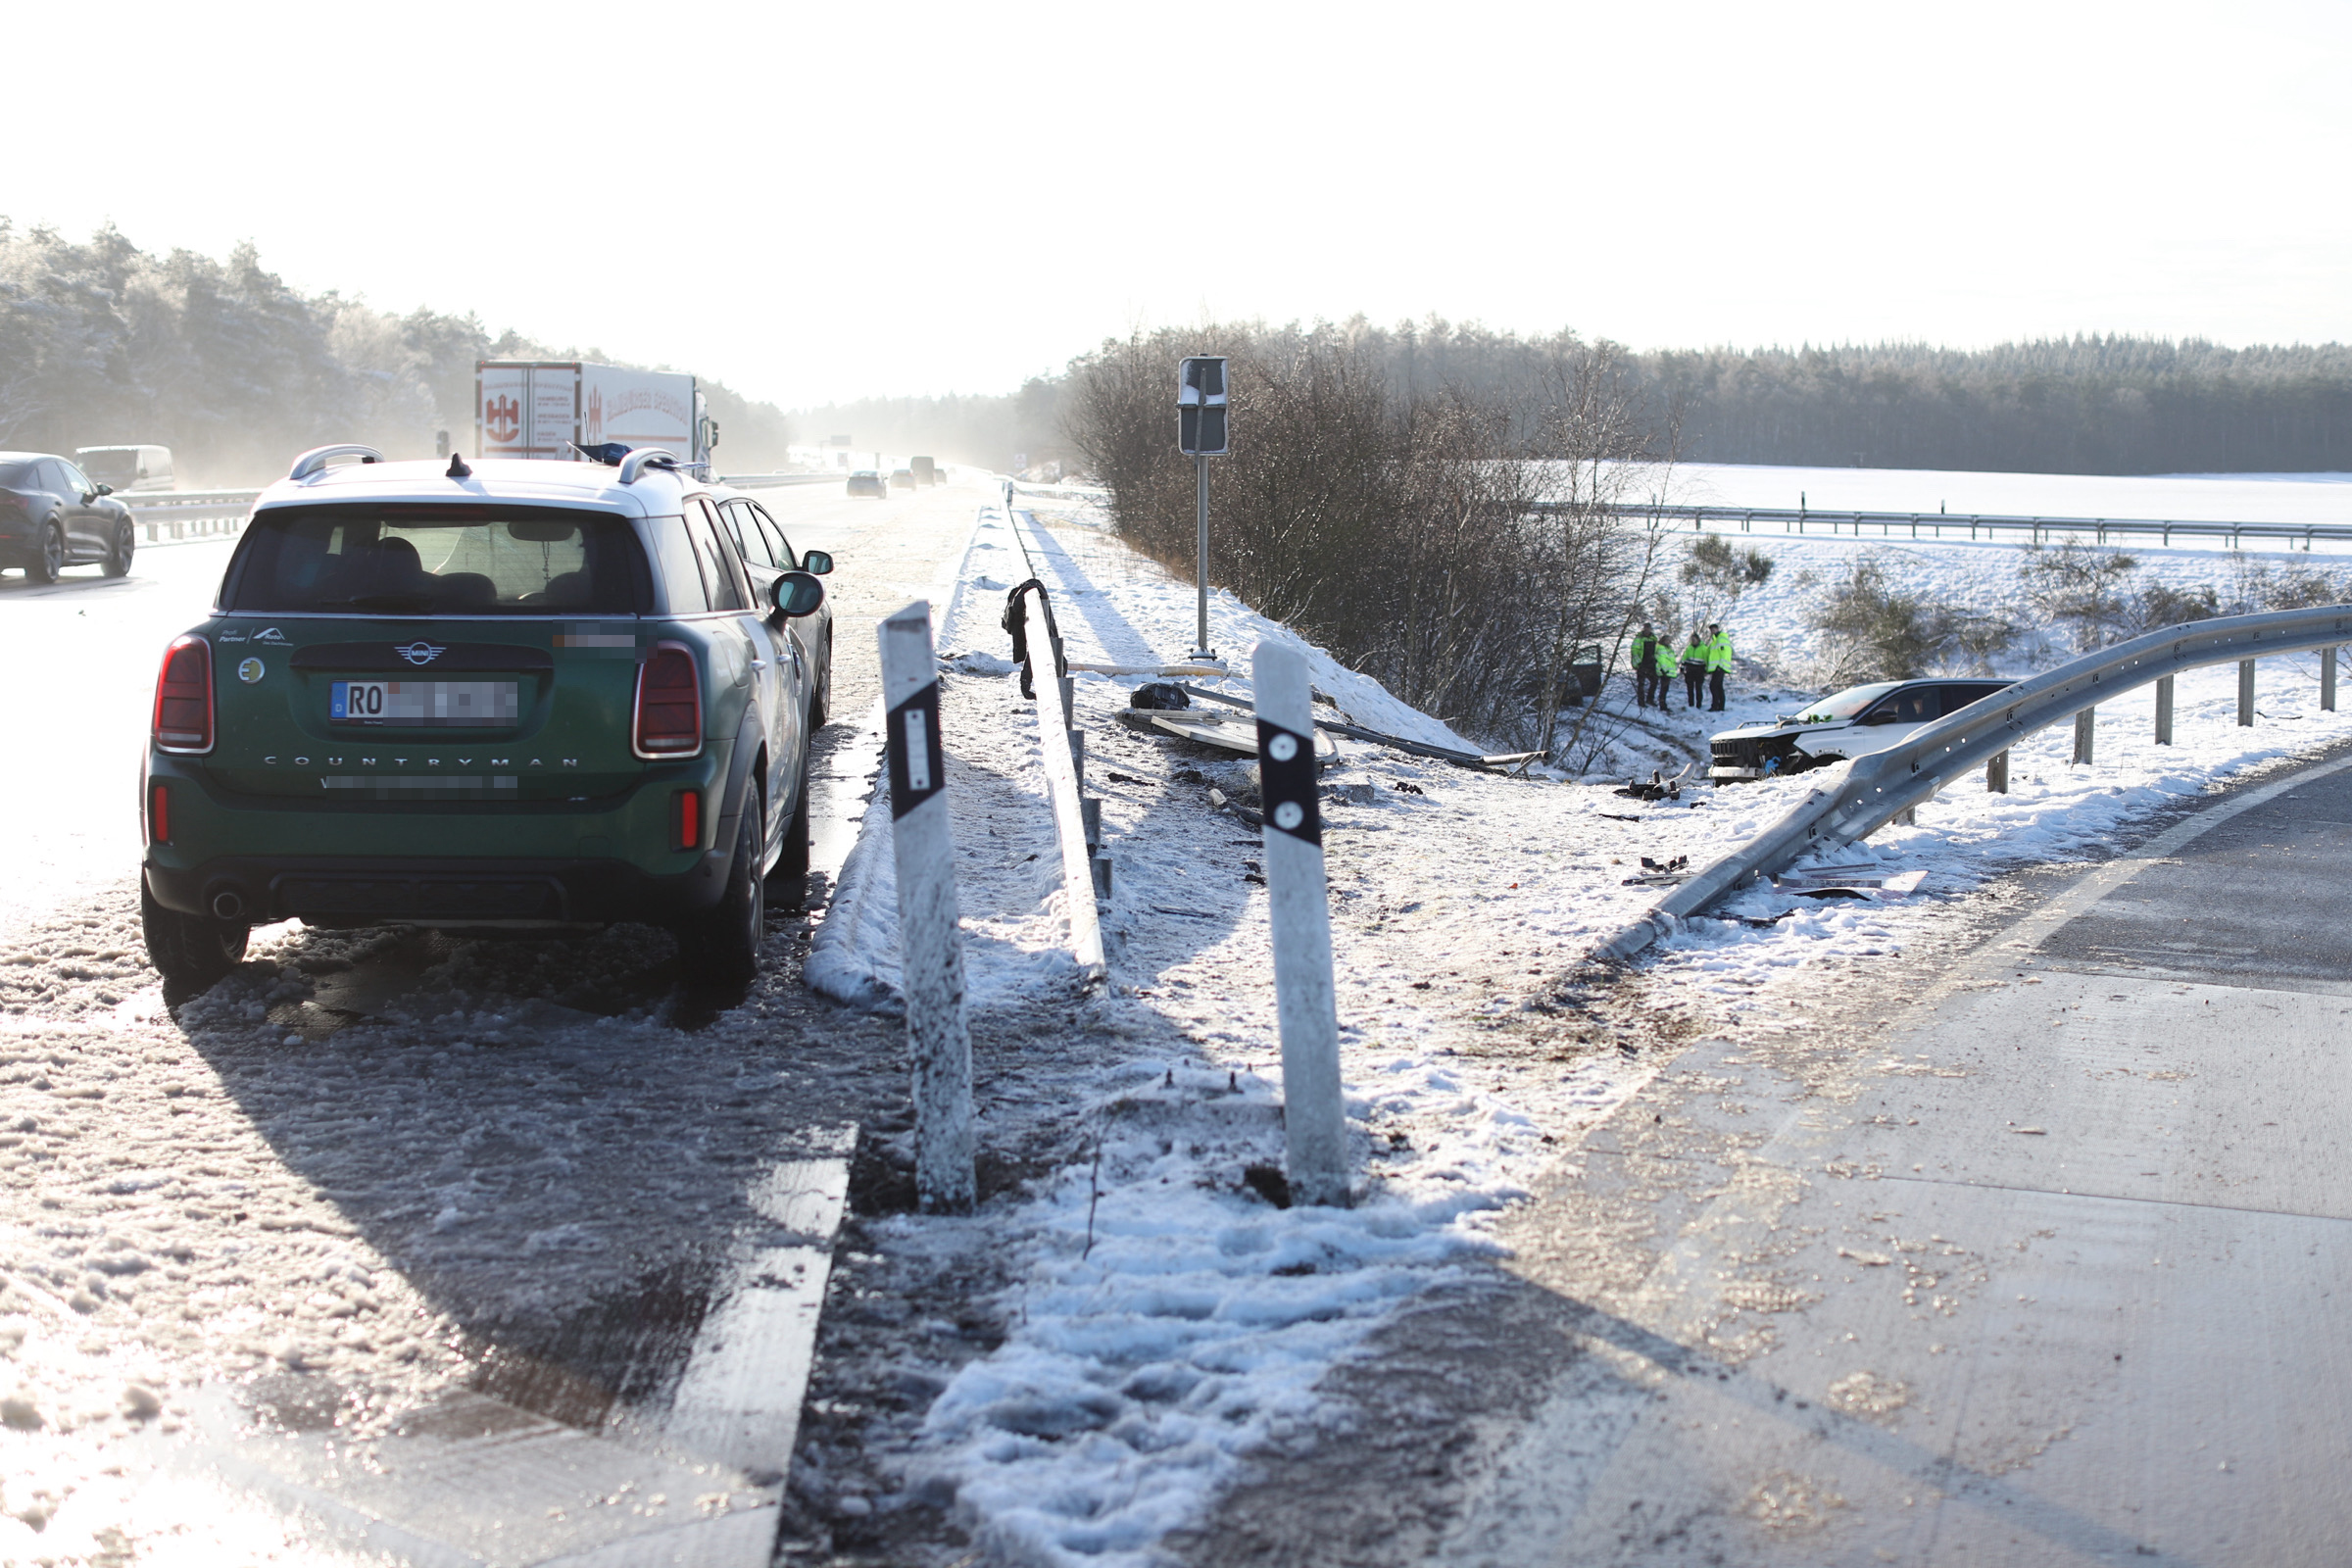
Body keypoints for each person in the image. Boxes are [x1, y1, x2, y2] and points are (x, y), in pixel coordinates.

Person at [1705, 621, 1734, 711]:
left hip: (1719, 667)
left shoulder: (1721, 639)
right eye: (1711, 630)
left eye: (1714, 629)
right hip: (1716, 668)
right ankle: (1720, 706)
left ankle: (1716, 706)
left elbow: (1724, 653)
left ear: (1717, 629)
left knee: (1713, 686)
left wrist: (1720, 666)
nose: (1713, 631)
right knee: (1718, 687)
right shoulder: (1715, 641)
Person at [1629, 623, 1658, 708]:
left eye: (1649, 628)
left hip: (1651, 664)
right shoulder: (1639, 638)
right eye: (1646, 628)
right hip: (1642, 663)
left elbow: (1657, 650)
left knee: (1654, 681)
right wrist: (1638, 663)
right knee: (1641, 683)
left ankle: (1650, 699)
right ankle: (1641, 702)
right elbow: (1634, 651)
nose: (1647, 630)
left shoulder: (1654, 638)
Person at [1681, 627, 1708, 708]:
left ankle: (1699, 704)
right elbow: (1684, 658)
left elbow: (1707, 660)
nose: (1693, 641)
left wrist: (1706, 670)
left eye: (1694, 639)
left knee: (1698, 688)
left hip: (1699, 670)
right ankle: (1691, 704)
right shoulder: (1689, 648)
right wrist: (1682, 667)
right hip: (1690, 670)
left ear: (1698, 640)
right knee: (1690, 688)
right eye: (1692, 639)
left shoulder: (1704, 648)